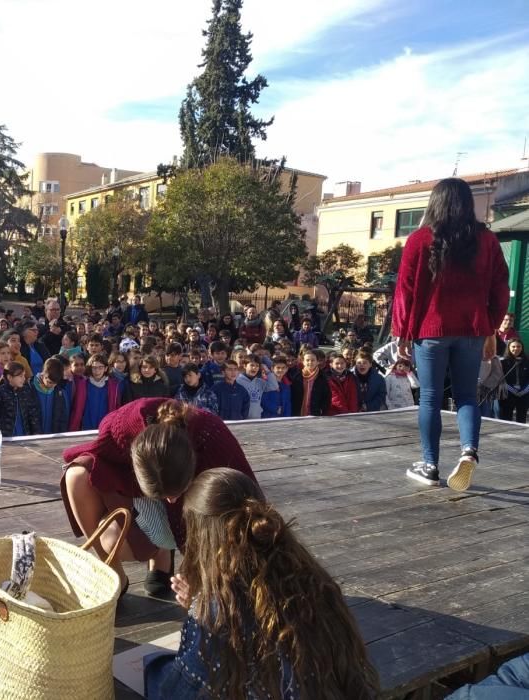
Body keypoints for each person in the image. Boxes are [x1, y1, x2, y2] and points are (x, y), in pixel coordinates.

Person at [144, 468, 379, 699]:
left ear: (202, 537)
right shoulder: (311, 576)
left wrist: (152, 663)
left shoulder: (220, 610)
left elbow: (176, 691)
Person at [61, 399, 256, 598]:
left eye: (177, 492)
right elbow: (88, 457)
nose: (171, 501)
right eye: (163, 495)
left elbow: (251, 505)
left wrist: (200, 570)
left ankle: (163, 551)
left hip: (199, 509)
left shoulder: (212, 437)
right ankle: (113, 572)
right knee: (77, 476)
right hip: (140, 493)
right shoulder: (120, 429)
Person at [393, 178, 510, 490]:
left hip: (429, 331)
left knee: (430, 396)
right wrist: (490, 328)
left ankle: (429, 465)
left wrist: (401, 333)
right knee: (467, 395)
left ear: (435, 203)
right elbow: (501, 289)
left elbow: (404, 291)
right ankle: (469, 451)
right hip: (472, 330)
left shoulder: (419, 240)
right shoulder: (486, 241)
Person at [68, 353, 121, 431]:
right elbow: (76, 408)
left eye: (100, 367)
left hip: (105, 428)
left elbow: (116, 408)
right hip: (85, 428)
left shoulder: (114, 386)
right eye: (94, 368)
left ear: (106, 368)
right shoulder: (82, 384)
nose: (97, 371)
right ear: (90, 368)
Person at [0, 362, 41, 437]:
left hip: (25, 436)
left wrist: (36, 434)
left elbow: (33, 414)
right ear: (9, 377)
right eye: (20, 376)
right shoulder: (0, 392)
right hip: (6, 437)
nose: (23, 378)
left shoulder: (26, 391)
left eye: (24, 375)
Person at [31, 357, 70, 435]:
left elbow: (63, 417)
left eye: (55, 383)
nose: (52, 386)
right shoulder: (29, 389)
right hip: (34, 438)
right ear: (43, 374)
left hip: (53, 438)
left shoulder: (59, 392)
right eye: (49, 382)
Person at [290, 348, 331, 417]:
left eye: (313, 360)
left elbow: (327, 396)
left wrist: (322, 409)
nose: (310, 362)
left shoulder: (323, 377)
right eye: (307, 360)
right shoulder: (297, 377)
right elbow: (293, 395)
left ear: (317, 362)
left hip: (316, 413)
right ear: (303, 362)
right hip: (298, 413)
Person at [500, 338, 529, 423]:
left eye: (518, 346)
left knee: (521, 418)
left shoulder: (527, 361)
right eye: (513, 346)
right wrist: (512, 390)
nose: (516, 349)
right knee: (506, 417)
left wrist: (524, 390)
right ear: (508, 348)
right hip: (508, 393)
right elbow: (501, 379)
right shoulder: (503, 362)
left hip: (524, 393)